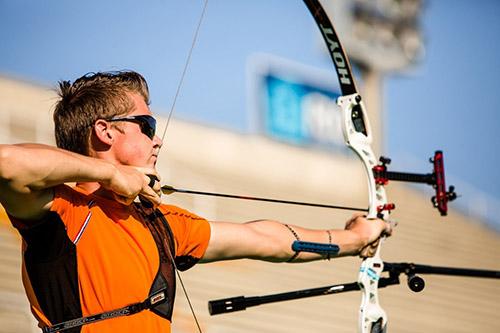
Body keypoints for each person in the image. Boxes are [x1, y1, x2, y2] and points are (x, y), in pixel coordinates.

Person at [0, 71, 391, 333]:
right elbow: (6, 162)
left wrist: (353, 239)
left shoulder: (158, 221)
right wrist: (111, 175)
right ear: (105, 131)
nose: (158, 139)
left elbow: (263, 238)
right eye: (146, 125)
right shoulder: (60, 211)